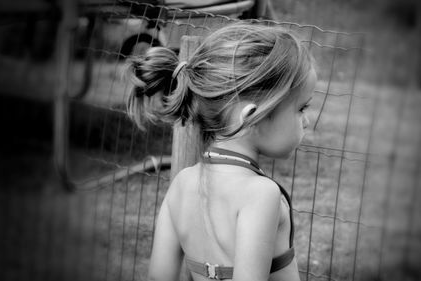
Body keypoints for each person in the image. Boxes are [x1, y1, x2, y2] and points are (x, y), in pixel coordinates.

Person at [127, 22, 317, 281]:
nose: (306, 121)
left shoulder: (181, 185)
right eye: (301, 109)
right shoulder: (260, 194)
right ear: (253, 116)